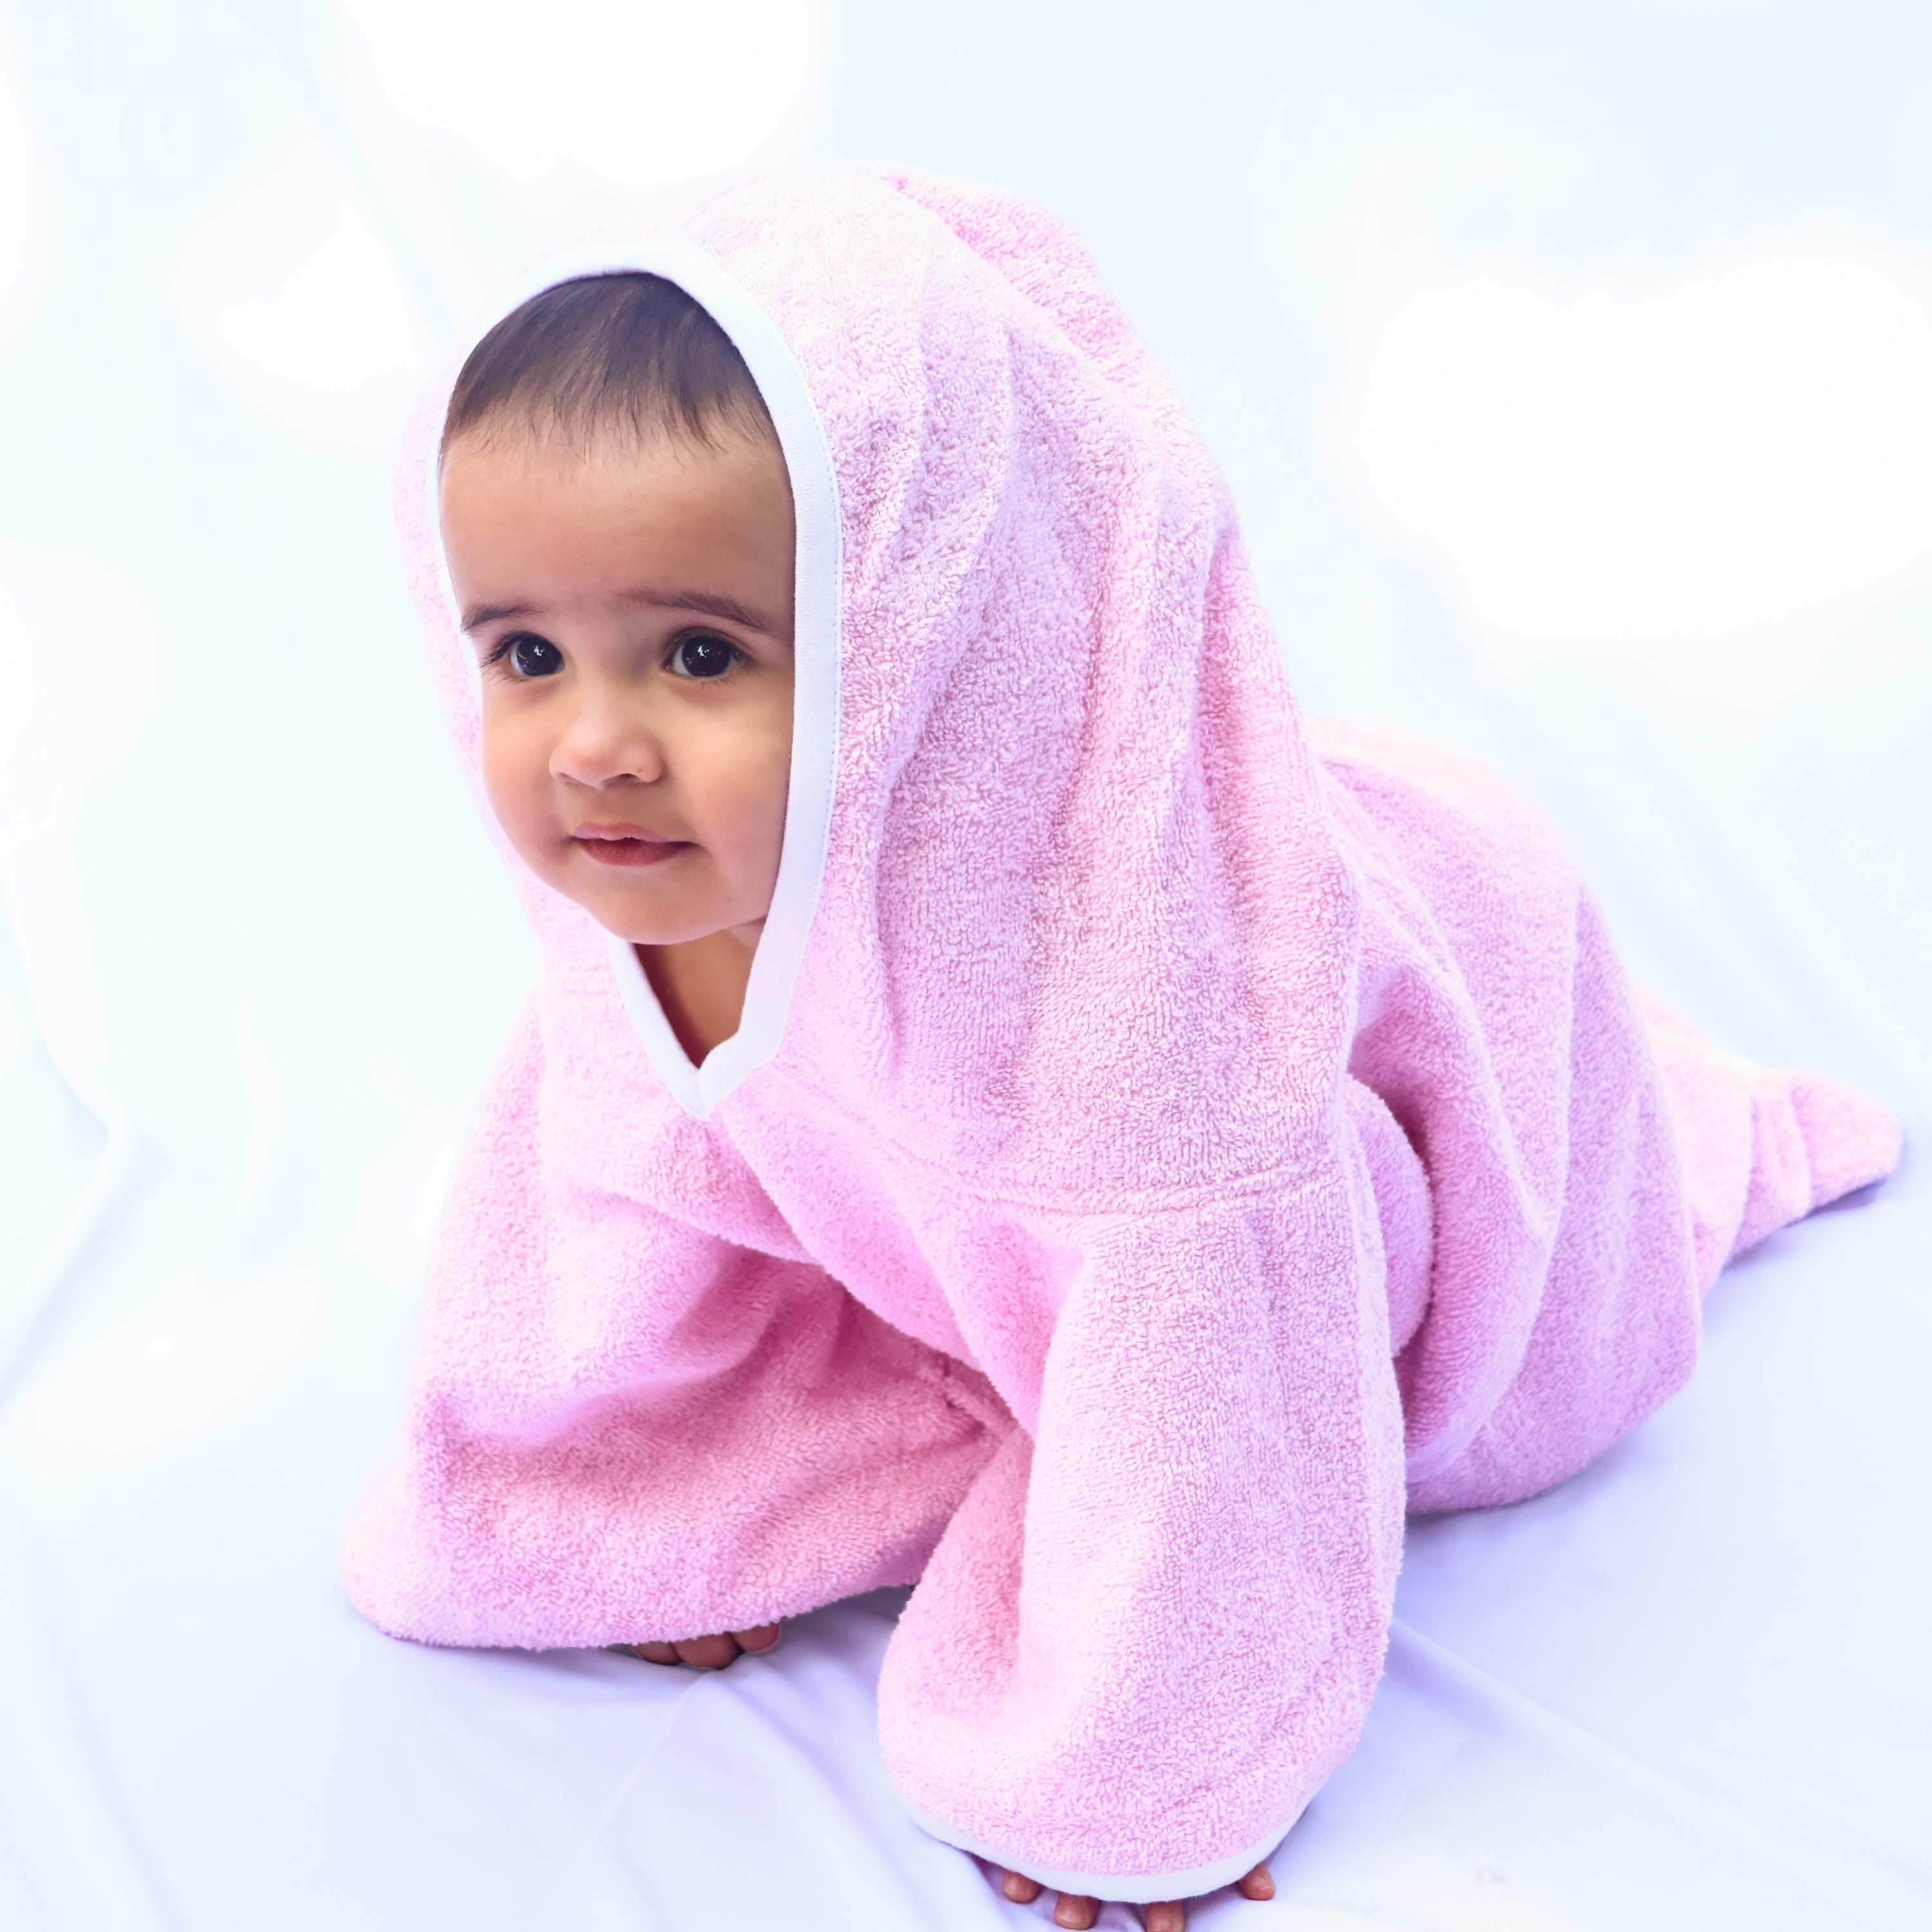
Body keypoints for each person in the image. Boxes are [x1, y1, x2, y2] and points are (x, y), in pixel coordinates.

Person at [345, 172, 1900, 1931]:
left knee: (1374, 1286)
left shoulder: (1142, 1054)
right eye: (527, 653)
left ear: (916, 640)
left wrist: (1151, 1755)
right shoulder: (638, 896)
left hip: (1466, 987)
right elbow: (630, 1194)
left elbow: (1214, 1356)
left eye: (699, 653)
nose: (593, 746)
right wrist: (644, 1502)